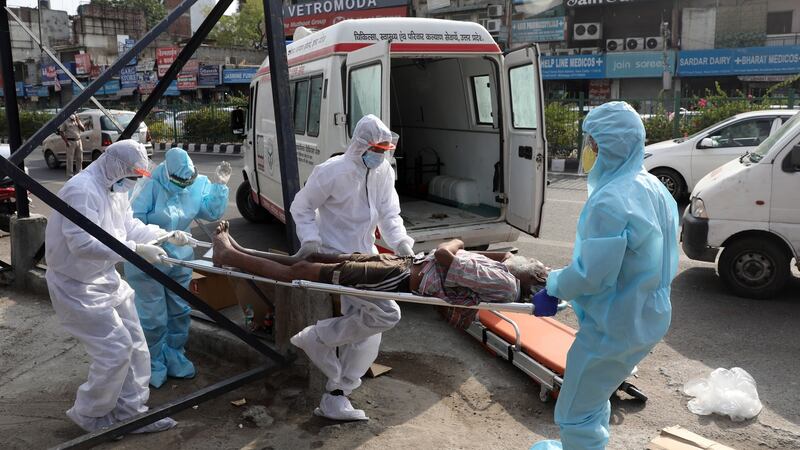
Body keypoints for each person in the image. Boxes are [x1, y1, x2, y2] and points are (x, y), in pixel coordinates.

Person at [530, 101, 680, 450]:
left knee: (575, 408)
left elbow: (590, 276)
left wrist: (553, 286)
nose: (588, 151)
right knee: (596, 390)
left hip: (618, 322)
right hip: (649, 312)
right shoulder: (652, 186)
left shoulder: (611, 199)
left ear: (608, 146)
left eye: (593, 144)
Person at [45, 139, 183, 433]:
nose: (132, 183)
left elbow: (128, 227)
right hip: (76, 284)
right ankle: (89, 414)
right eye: (131, 176)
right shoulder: (81, 190)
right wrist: (134, 250)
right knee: (115, 350)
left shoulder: (116, 188)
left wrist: (165, 235)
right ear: (116, 166)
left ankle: (131, 413)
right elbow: (82, 244)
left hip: (105, 277)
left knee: (135, 345)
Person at [288, 114, 416, 421]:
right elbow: (301, 206)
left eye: (385, 149)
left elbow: (389, 213)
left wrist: (401, 242)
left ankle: (336, 395)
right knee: (388, 313)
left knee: (368, 330)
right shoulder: (332, 172)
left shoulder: (383, 170)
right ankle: (317, 337)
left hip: (367, 256)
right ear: (360, 145)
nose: (380, 154)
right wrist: (310, 239)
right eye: (376, 148)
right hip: (336, 258)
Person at [211, 222, 547, 327]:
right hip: (405, 265)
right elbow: (492, 258)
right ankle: (238, 252)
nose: (527, 259)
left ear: (530, 281)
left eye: (533, 266)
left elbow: (447, 255)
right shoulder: (508, 272)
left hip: (397, 277)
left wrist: (459, 240)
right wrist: (505, 257)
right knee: (312, 256)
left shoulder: (504, 282)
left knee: (303, 270)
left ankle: (228, 256)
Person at [123, 148, 231, 388]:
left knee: (179, 311)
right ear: (168, 174)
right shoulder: (148, 185)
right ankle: (151, 363)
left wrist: (219, 187)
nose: (184, 186)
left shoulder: (194, 183)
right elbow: (131, 222)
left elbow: (210, 211)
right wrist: (160, 237)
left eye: (188, 182)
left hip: (180, 257)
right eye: (180, 182)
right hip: (148, 258)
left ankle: (174, 355)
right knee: (152, 317)